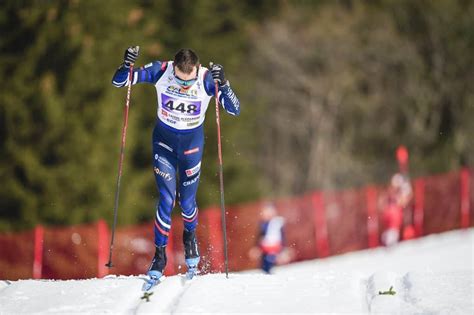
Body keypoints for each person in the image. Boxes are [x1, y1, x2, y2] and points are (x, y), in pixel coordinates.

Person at [112, 46, 240, 280]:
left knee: (188, 203)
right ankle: (160, 255)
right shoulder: (161, 70)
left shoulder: (206, 79)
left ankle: (189, 237)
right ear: (173, 67)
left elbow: (234, 109)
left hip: (192, 147)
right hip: (164, 145)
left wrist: (226, 84)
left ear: (197, 70)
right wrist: (126, 65)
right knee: (167, 200)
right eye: (180, 82)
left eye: (188, 83)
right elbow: (120, 82)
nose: (184, 87)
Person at [248, 203, 287, 273]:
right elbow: (259, 237)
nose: (268, 214)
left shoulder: (277, 223)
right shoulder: (263, 224)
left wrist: (283, 249)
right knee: (265, 264)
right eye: (266, 212)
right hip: (265, 248)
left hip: (274, 247)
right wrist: (256, 247)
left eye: (270, 212)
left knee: (270, 263)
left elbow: (282, 237)